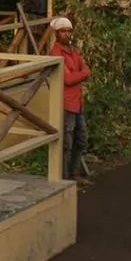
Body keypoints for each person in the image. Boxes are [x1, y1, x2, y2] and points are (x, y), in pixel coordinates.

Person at [48, 16, 91, 179]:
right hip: (66, 103)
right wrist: (83, 73)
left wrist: (80, 73)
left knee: (81, 140)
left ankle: (73, 174)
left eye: (68, 31)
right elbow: (67, 79)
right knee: (66, 143)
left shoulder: (72, 51)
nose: (66, 34)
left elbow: (85, 69)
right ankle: (65, 178)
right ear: (56, 34)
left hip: (78, 103)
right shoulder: (56, 53)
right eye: (63, 31)